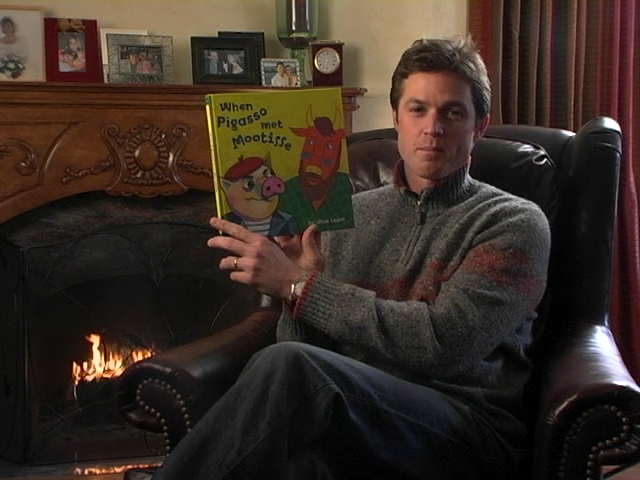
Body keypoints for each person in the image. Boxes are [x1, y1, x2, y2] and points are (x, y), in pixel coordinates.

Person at [148, 35, 551, 480]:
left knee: (290, 372)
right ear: (396, 118)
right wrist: (298, 294)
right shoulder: (346, 215)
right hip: (354, 418)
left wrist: (299, 288)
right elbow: (309, 355)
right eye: (418, 109)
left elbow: (443, 344)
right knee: (290, 427)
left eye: (452, 112)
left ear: (480, 126)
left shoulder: (514, 222)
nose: (433, 127)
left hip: (466, 430)